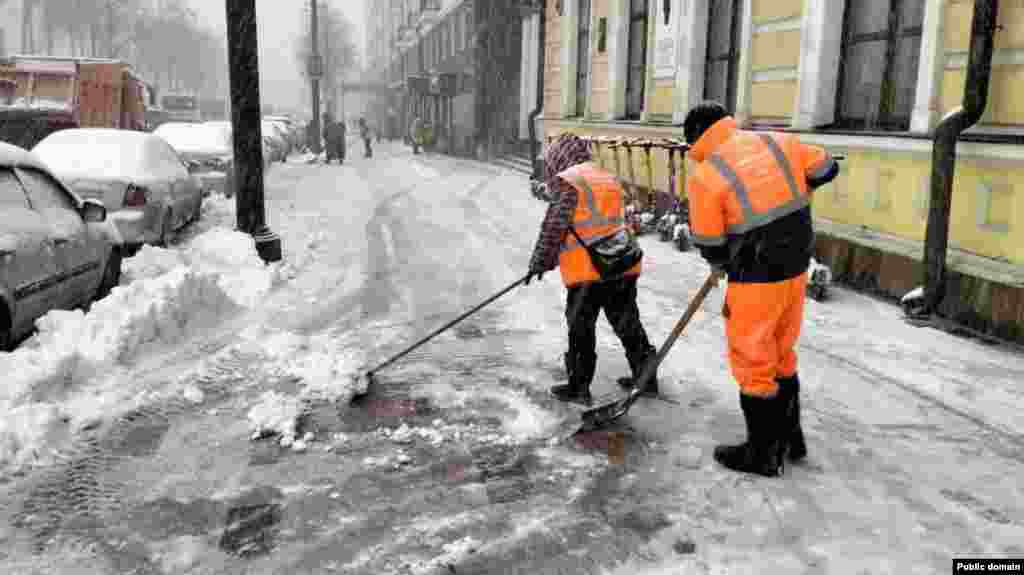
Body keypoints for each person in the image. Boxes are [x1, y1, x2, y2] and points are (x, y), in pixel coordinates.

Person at [682, 101, 839, 477]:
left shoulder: (706, 174)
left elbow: (708, 240)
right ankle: (789, 439)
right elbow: (826, 167)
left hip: (755, 273)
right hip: (797, 263)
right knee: (782, 350)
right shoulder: (775, 142)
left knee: (753, 358)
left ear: (695, 138)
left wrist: (722, 260)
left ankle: (763, 454)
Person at [525, 133, 659, 405]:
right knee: (627, 322)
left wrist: (540, 261)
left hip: (590, 270)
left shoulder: (569, 182)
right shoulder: (604, 175)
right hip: (622, 262)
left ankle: (579, 386)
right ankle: (646, 378)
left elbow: (555, 226)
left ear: (558, 157)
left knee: (581, 328)